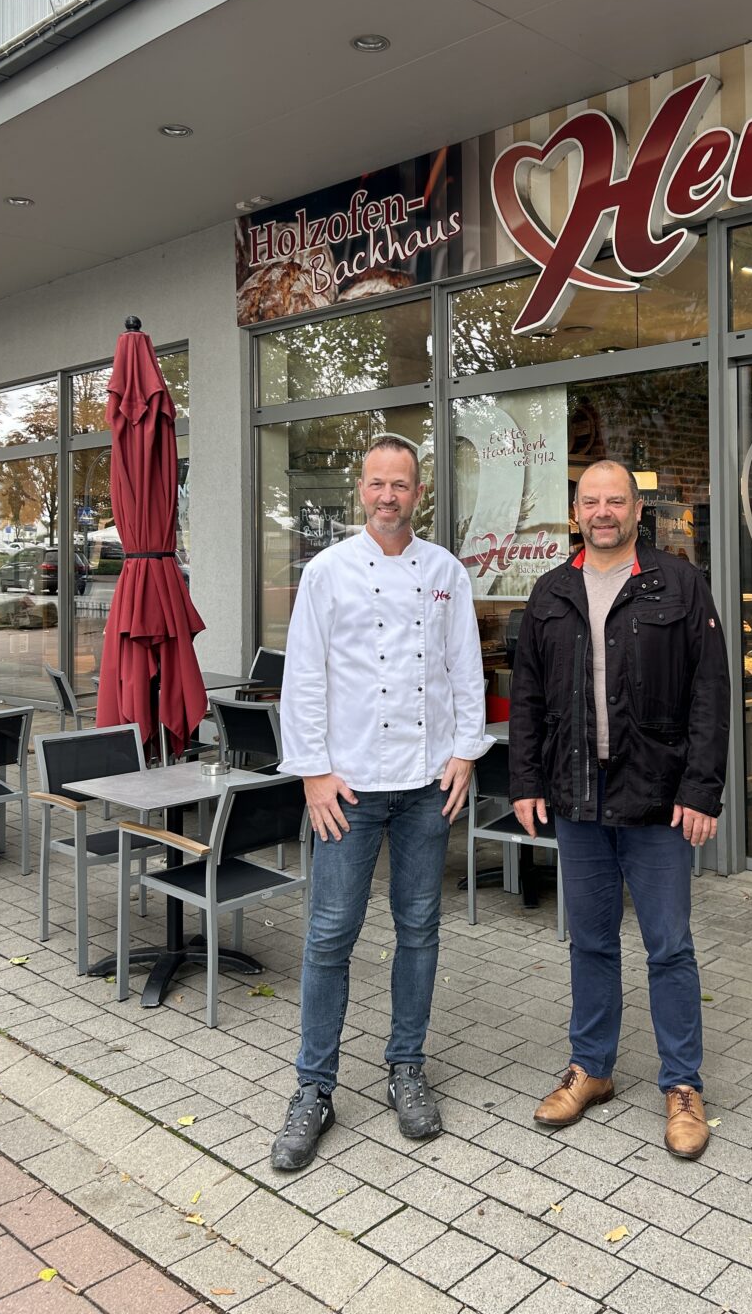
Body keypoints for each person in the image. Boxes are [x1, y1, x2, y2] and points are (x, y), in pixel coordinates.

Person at [270, 436, 491, 1170]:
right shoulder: (326, 573)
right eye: (377, 484)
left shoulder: (447, 573)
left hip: (427, 785)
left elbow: (466, 669)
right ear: (359, 489)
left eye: (401, 484)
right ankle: (314, 1088)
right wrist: (312, 772)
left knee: (419, 930)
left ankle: (406, 1069)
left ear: (418, 491)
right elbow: (303, 677)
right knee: (331, 934)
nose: (388, 496)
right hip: (351, 786)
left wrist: (464, 752)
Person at [508, 459, 729, 1160]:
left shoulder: (679, 583)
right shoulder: (549, 592)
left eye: (615, 501)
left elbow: (710, 693)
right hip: (577, 796)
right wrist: (525, 782)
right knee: (592, 940)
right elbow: (530, 703)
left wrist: (701, 789)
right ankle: (593, 1067)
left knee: (669, 946)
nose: (603, 511)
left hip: (658, 799)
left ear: (638, 510)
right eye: (590, 501)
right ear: (576, 513)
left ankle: (683, 1085)